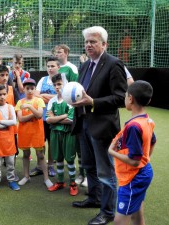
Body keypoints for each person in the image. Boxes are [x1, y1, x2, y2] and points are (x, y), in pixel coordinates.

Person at [71, 26, 127, 225]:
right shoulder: (85, 65)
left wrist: (93, 102)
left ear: (104, 44)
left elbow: (121, 98)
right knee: (89, 166)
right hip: (84, 123)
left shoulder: (114, 64)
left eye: (93, 41)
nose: (88, 45)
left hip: (102, 127)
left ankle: (108, 212)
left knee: (105, 171)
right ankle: (94, 198)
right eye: (86, 42)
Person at [108, 80, 155, 225]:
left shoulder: (134, 126)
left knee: (119, 221)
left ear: (131, 98)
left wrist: (111, 152)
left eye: (125, 95)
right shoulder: (146, 120)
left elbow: (134, 161)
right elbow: (153, 141)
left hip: (132, 178)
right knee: (136, 214)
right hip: (142, 173)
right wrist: (145, 160)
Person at [54, 44, 87, 187]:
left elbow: (77, 88)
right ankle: (74, 174)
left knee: (80, 145)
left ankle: (84, 174)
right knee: (65, 147)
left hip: (73, 107)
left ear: (66, 53)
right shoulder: (55, 67)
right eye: (55, 52)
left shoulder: (72, 68)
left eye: (60, 52)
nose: (57, 54)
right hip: (58, 106)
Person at [30, 56, 68, 178]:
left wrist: (44, 96)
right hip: (42, 117)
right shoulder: (43, 79)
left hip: (55, 118)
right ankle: (40, 166)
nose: (50, 68)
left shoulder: (63, 80)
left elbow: (64, 97)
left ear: (58, 67)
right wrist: (53, 97)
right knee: (40, 142)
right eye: (48, 66)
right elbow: (36, 95)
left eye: (53, 66)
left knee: (52, 143)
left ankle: (50, 165)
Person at [15, 78, 53, 189]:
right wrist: (33, 114)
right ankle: (26, 176)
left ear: (35, 89)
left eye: (32, 88)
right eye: (27, 88)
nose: (30, 91)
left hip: (37, 133)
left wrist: (30, 107)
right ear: (24, 90)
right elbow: (21, 119)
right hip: (24, 133)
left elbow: (40, 115)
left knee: (41, 155)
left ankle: (46, 178)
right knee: (26, 155)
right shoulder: (20, 102)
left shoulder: (39, 101)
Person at [46, 74, 78, 196]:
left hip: (68, 133)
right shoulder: (52, 101)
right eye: (54, 85)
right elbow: (48, 119)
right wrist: (63, 116)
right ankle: (60, 182)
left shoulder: (70, 100)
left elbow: (70, 120)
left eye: (59, 84)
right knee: (58, 158)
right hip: (55, 134)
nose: (57, 87)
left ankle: (73, 183)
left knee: (69, 159)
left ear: (65, 84)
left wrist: (55, 119)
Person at [0, 84, 20, 194]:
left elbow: (13, 122)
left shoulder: (10, 107)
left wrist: (1, 122)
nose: (2, 96)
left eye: (4, 94)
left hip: (9, 141)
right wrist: (7, 124)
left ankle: (11, 180)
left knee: (11, 162)